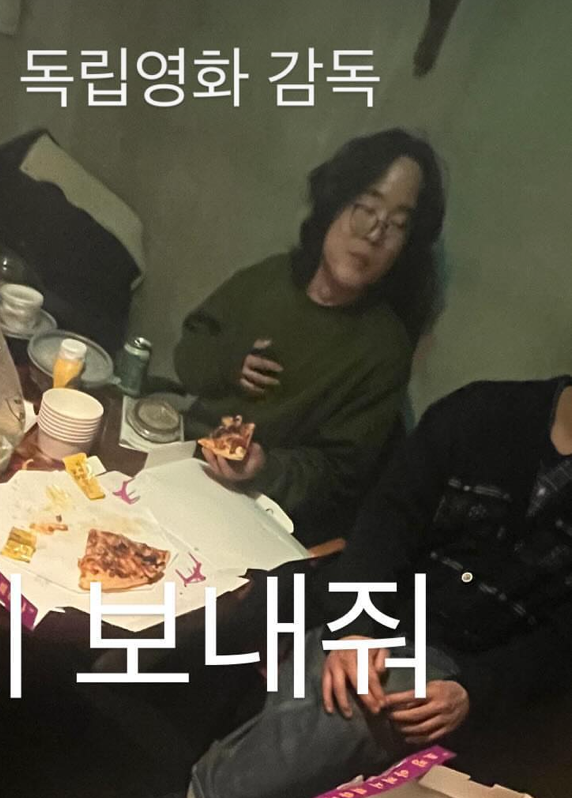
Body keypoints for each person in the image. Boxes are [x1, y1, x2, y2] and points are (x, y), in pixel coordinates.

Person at [81, 375, 572, 798]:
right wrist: (357, 629)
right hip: (372, 596)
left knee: (354, 711)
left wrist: (476, 689)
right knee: (242, 620)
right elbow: (387, 519)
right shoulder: (482, 411)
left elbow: (561, 644)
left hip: (462, 655)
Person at [175, 129, 446, 544]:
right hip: (183, 460)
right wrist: (229, 365)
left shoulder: (384, 349)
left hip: (258, 514)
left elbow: (338, 476)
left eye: (396, 225)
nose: (375, 233)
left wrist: (264, 468)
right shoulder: (272, 278)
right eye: (367, 208)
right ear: (334, 203)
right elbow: (189, 351)